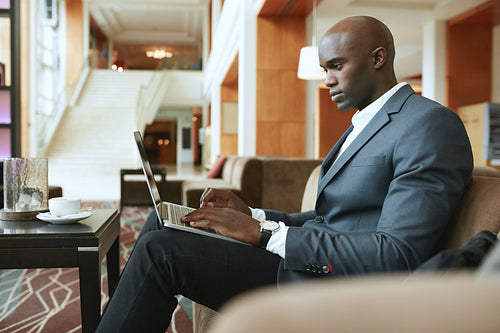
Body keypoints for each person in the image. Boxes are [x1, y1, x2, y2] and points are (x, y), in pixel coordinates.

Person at [96, 16, 473, 332]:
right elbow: (330, 218)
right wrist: (254, 216)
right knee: (163, 223)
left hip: (336, 286)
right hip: (311, 263)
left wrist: (263, 234)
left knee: (162, 251)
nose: (327, 80)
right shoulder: (362, 124)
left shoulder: (428, 125)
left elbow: (396, 255)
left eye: (337, 66)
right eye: (325, 69)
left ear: (378, 58)